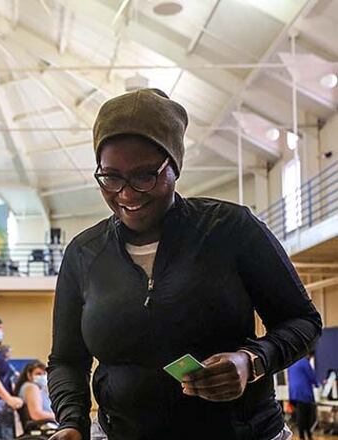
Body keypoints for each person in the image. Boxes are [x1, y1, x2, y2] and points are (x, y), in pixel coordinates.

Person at [48, 88, 322, 440]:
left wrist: (251, 361)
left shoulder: (229, 229)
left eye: (145, 176)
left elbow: (303, 322)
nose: (127, 194)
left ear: (174, 167)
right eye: (111, 177)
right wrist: (71, 422)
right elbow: (67, 360)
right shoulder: (83, 254)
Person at [288, 351, 319, 440]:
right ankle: (308, 435)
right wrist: (318, 384)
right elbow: (312, 377)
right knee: (307, 416)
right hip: (304, 394)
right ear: (309, 355)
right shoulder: (305, 362)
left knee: (299, 416)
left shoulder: (292, 363)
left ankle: (301, 436)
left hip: (293, 394)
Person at [16, 360, 56, 424]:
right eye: (38, 374)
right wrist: (58, 416)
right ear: (29, 375)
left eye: (44, 374)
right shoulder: (31, 387)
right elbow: (36, 414)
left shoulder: (40, 389)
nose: (42, 377)